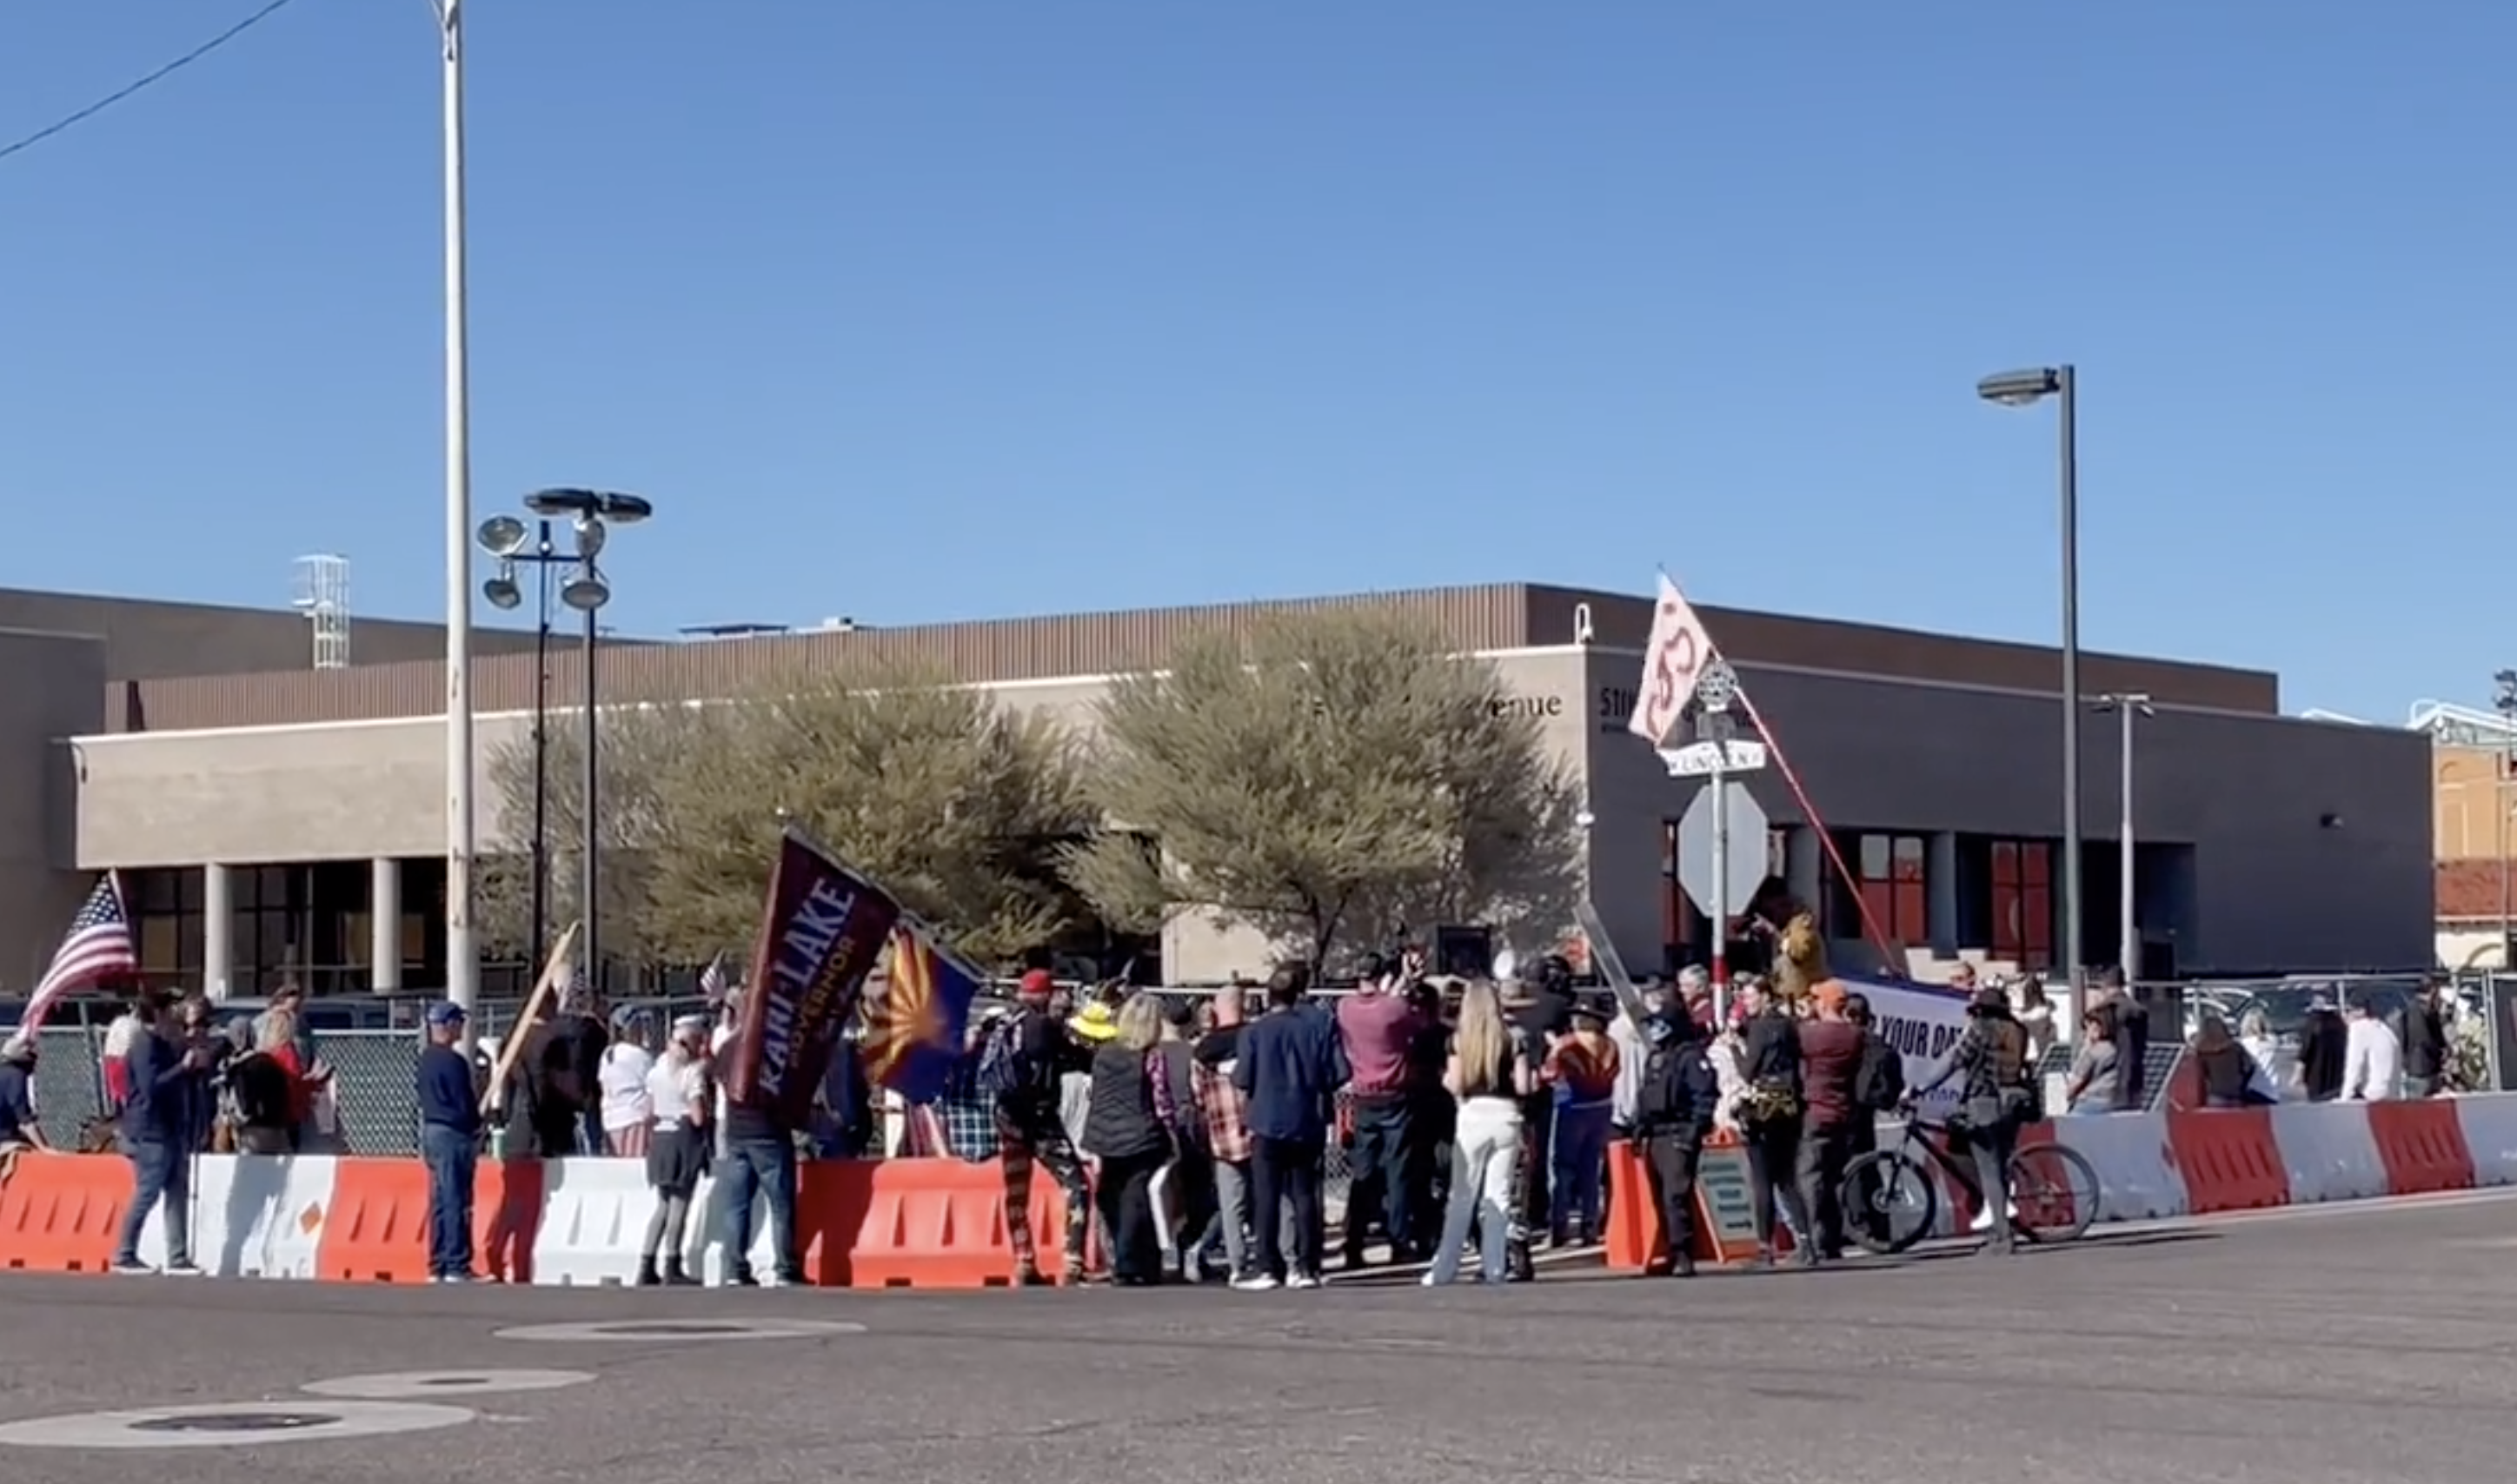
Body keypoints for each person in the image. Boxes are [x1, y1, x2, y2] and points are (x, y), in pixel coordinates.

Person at [1233, 962, 1349, 1291]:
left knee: (1267, 1196)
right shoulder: (1318, 1027)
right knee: (1306, 1194)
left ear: (1269, 996)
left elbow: (1242, 1078)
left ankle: (1269, 1266)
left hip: (1267, 1119)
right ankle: (1307, 1266)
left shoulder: (1255, 1032)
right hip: (1307, 1118)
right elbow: (1339, 1072)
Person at [1906, 987, 2036, 1257]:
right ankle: (2002, 1225)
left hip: (1984, 1103)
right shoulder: (2018, 1030)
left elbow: (1953, 1060)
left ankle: (2002, 1236)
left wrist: (1919, 1088)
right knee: (1999, 1168)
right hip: (2013, 1103)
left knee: (1988, 1172)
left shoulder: (1979, 1029)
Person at [1425, 978, 1533, 1286]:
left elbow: (1456, 1085)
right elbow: (1524, 1086)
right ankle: (1495, 1266)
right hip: (1507, 1115)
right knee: (1497, 1194)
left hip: (1473, 1113)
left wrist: (1445, 1078)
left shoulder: (1459, 1040)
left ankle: (1444, 1268)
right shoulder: (1515, 1038)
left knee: (1462, 1195)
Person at [992, 970, 1095, 1285]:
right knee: (1075, 1185)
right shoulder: (1044, 1027)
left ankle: (1023, 1259)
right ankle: (1073, 1260)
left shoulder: (1002, 1024)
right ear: (1046, 994)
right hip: (1041, 1121)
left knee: (1016, 1192)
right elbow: (1077, 1058)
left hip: (1008, 1119)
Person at [1336, 951, 1428, 1269]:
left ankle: (1354, 1242)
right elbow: (1413, 1021)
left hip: (1363, 1095)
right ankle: (1399, 1241)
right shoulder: (1394, 1009)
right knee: (1397, 1171)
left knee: (1363, 1172)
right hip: (1395, 1094)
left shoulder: (1345, 1008)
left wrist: (1399, 982)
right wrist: (1405, 981)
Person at [111, 995, 215, 1275]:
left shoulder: (163, 1044)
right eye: (171, 1011)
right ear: (157, 1014)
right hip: (150, 1129)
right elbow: (151, 1087)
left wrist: (192, 1068)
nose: (175, 1018)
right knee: (148, 1190)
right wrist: (183, 1067)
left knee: (177, 1190)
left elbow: (176, 1080)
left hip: (170, 1126)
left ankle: (178, 1256)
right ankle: (125, 1253)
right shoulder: (144, 1045)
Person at [1082, 996, 1176, 1286]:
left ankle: (1126, 1259)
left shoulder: (1103, 1053)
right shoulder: (1151, 1056)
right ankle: (1130, 1262)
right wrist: (1172, 1134)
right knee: (1138, 1200)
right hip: (1142, 1135)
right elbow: (1161, 1101)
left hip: (1104, 1135)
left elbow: (1096, 1094)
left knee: (1111, 1197)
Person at [1629, 1004, 1720, 1276]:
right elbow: (1647, 1096)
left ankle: (1684, 1253)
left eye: (1660, 1024)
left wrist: (1695, 1129)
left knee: (1675, 1195)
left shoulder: (1690, 1057)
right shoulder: (1657, 1057)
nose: (1654, 1031)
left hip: (1679, 1132)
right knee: (1659, 1197)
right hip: (1656, 1134)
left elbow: (1704, 1095)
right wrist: (1639, 1128)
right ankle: (1670, 1248)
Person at [1735, 977, 1812, 1269]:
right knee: (1787, 1178)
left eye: (1750, 997)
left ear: (1765, 996)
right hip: (1789, 1104)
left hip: (1764, 1108)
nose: (1746, 1003)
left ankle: (1765, 1248)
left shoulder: (1759, 1028)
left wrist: (1733, 1047)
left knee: (1763, 1180)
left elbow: (1748, 1070)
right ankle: (1806, 1241)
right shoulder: (1787, 1025)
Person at [636, 1014, 713, 1286]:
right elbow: (698, 1117)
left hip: (660, 1136)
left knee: (662, 1205)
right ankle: (672, 1263)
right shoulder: (692, 1074)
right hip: (682, 1137)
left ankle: (646, 1262)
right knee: (680, 1204)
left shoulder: (656, 1070)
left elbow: (646, 1111)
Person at [1192, 985, 1258, 1284]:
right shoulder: (1255, 1040)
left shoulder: (1202, 1051)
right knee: (1270, 1198)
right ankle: (1277, 1259)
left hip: (1222, 1134)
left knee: (1231, 1204)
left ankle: (1237, 1266)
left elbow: (1197, 1095)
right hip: (1257, 1129)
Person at [1794, 984, 1864, 1262]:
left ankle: (1813, 1239)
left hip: (1815, 1110)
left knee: (1810, 1177)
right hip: (1843, 1110)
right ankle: (1833, 1239)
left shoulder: (1811, 1034)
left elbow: (1798, 1046)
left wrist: (1803, 1016)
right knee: (1834, 1177)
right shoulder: (1854, 1035)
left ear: (1823, 1004)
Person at [1544, 997, 1620, 1248]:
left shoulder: (1567, 1044)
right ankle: (1590, 1224)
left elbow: (1550, 1073)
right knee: (1590, 1168)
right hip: (1601, 1107)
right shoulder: (1610, 1045)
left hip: (1572, 1106)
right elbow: (1614, 1072)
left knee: (1562, 1168)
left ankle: (1559, 1225)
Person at [415, 1000, 482, 1283]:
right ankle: (457, 1263)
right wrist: (477, 1127)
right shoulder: (454, 1062)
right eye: (459, 1023)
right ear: (449, 1025)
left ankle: (438, 1262)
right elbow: (463, 1102)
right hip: (454, 1133)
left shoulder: (425, 1059)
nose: (462, 1029)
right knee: (457, 1199)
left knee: (441, 1200)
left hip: (431, 1130)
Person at [718, 1069, 805, 1289]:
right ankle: (785, 1268)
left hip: (737, 1133)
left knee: (737, 1206)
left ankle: (735, 1268)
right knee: (780, 1206)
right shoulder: (773, 1059)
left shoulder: (733, 1054)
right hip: (768, 1135)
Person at [599, 1008, 657, 1158]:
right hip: (634, 1117)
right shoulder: (640, 1055)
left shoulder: (607, 1055)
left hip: (611, 1119)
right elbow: (652, 1087)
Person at [2094, 967, 2150, 1110]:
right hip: (2135, 1078)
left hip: (2107, 1082)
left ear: (2104, 985)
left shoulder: (2102, 1011)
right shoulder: (2139, 1011)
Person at [2188, 1016, 2270, 1109]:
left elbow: (2201, 1074)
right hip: (2236, 1093)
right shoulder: (2235, 1048)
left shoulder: (2202, 1052)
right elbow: (2248, 1066)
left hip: (2216, 1094)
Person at [2397, 977, 2452, 1098]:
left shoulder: (2418, 1009)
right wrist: (2440, 1052)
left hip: (2421, 1067)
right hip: (2421, 1068)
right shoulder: (2418, 1011)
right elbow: (2423, 1038)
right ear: (2432, 991)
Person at [2340, 999, 2402, 1103]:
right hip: (2393, 1094)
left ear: (2361, 1012)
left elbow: (2354, 1067)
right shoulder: (2385, 1029)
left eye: (2347, 1011)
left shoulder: (2358, 1027)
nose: (2344, 1016)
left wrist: (2344, 1099)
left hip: (2374, 1096)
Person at [2063, 1004, 2121, 1115]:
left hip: (2091, 1102)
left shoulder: (2092, 1053)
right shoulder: (2120, 1049)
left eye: (2086, 1027)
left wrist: (2086, 1047)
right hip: (2116, 1101)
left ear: (2096, 1027)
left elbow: (2075, 1083)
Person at [2298, 994, 2348, 1103]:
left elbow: (2306, 1049)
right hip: (2337, 1074)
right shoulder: (2340, 1024)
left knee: (2317, 1104)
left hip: (2316, 1074)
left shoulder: (2313, 1023)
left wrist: (2298, 1072)